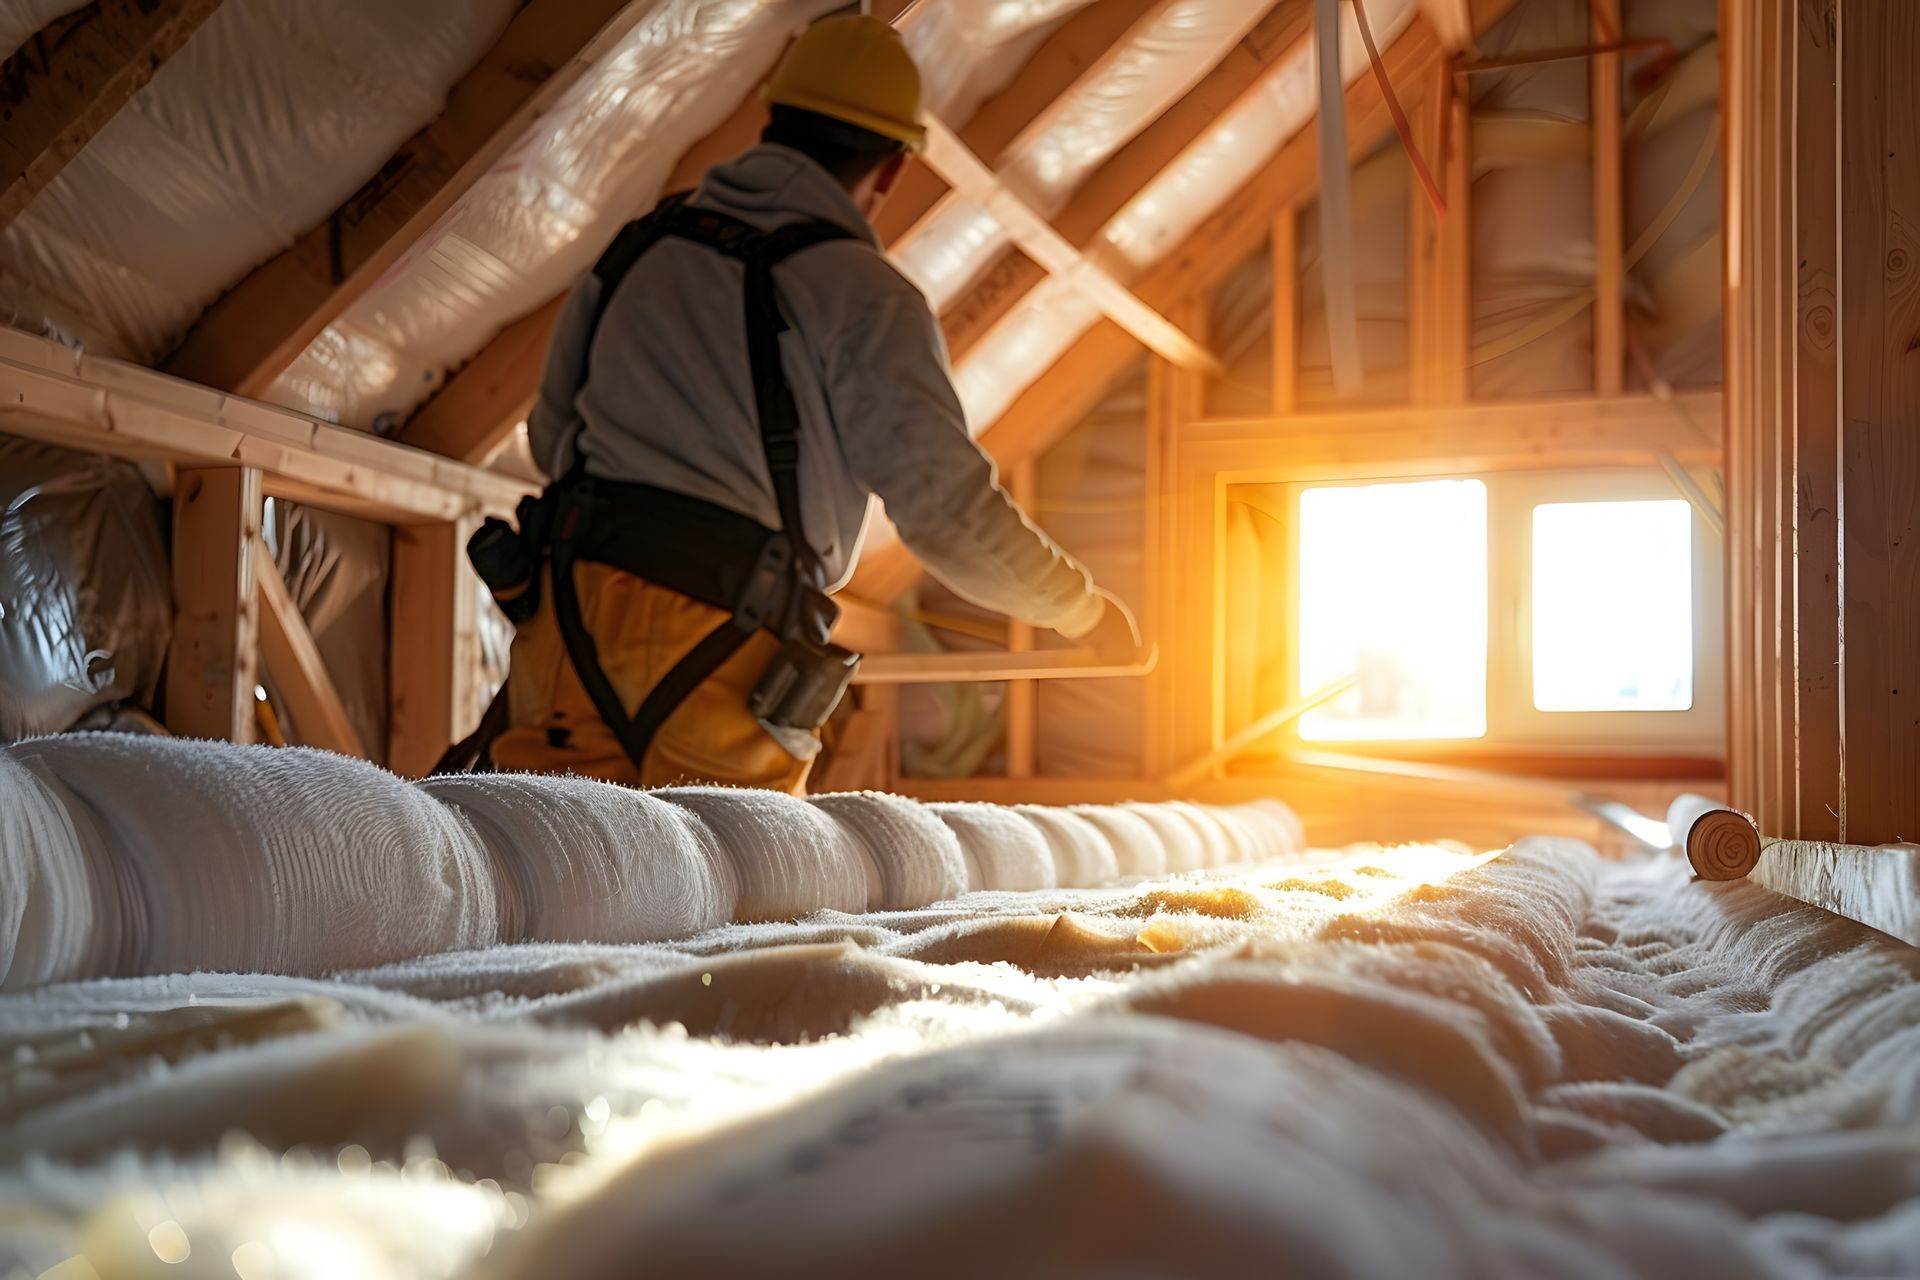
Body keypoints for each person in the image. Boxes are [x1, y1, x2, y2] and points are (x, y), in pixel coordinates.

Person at [484, 14, 1140, 795]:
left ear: (772, 120)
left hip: (570, 610)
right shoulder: (864, 296)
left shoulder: (639, 248)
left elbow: (554, 437)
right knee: (730, 893)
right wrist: (1080, 610)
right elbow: (948, 514)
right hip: (727, 641)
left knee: (555, 881)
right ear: (892, 169)